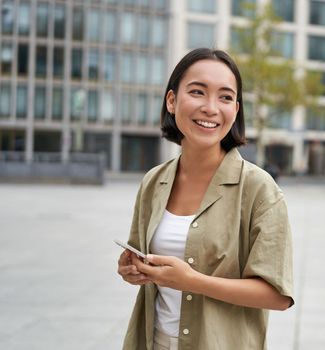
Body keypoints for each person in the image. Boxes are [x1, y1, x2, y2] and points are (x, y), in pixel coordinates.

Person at [117, 48, 294, 350]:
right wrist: (133, 270)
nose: (211, 108)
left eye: (225, 97)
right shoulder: (153, 182)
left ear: (236, 110)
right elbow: (144, 261)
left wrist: (192, 281)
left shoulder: (258, 189)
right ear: (171, 101)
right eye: (198, 92)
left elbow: (277, 295)